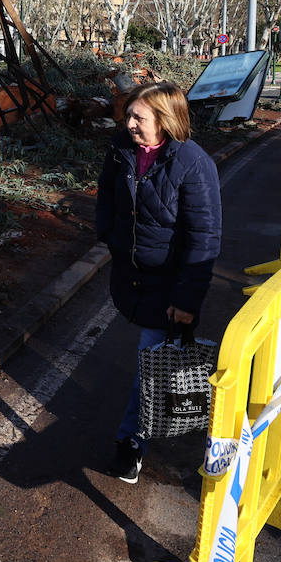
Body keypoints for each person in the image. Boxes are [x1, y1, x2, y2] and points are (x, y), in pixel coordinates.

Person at [95, 81, 222, 483]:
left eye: (138, 117)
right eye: (129, 114)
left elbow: (204, 237)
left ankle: (132, 445)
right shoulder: (121, 150)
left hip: (170, 285)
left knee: (149, 367)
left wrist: (186, 300)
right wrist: (109, 234)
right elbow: (105, 195)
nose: (128, 122)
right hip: (131, 277)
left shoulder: (193, 163)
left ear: (165, 120)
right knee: (149, 364)